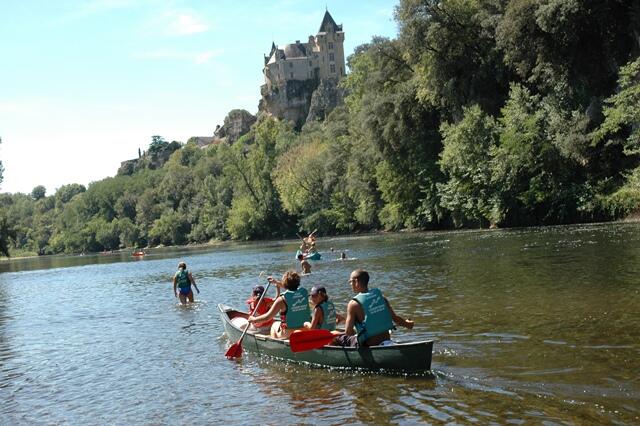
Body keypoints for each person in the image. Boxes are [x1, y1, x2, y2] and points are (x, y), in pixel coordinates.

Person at [333, 269, 414, 347]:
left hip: (368, 344)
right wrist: (408, 324)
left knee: (335, 338)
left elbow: (348, 333)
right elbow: (395, 319)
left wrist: (356, 331)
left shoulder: (353, 304)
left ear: (356, 281)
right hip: (386, 339)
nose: (350, 284)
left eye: (350, 281)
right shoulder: (381, 297)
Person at [247, 271, 311, 339]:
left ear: (285, 283)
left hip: (289, 333)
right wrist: (276, 282)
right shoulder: (304, 292)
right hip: (305, 329)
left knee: (274, 325)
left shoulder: (281, 300)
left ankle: (274, 346)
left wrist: (254, 319)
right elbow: (291, 287)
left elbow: (267, 317)